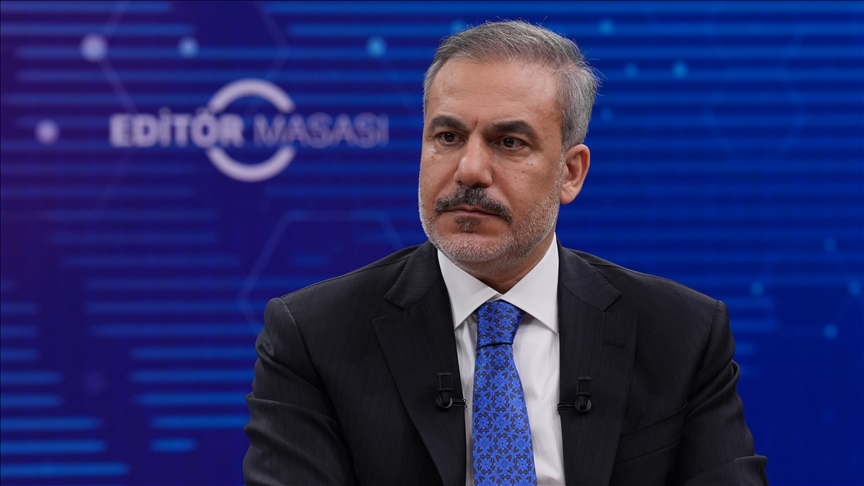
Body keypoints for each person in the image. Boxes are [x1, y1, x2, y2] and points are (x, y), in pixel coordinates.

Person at [243, 20, 767, 486]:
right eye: (448, 136)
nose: (470, 170)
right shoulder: (314, 336)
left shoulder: (681, 334)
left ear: (570, 173)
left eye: (509, 142)